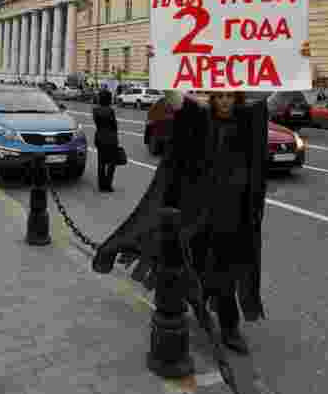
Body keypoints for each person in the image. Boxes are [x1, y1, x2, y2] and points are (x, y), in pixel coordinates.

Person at [93, 90, 266, 355]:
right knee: (193, 265)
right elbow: (176, 100)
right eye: (219, 97)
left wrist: (300, 71)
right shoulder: (200, 117)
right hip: (199, 214)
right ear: (212, 99)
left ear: (237, 99)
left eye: (230, 97)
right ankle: (193, 307)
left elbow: (273, 105)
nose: (224, 101)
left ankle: (230, 327)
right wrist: (162, 66)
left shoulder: (245, 120)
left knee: (227, 275)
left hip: (232, 218)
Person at [92, 89, 120, 192]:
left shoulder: (95, 110)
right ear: (109, 99)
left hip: (99, 137)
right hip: (111, 139)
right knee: (112, 163)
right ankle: (108, 185)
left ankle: (101, 185)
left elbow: (97, 123)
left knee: (101, 162)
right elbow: (114, 126)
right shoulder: (110, 110)